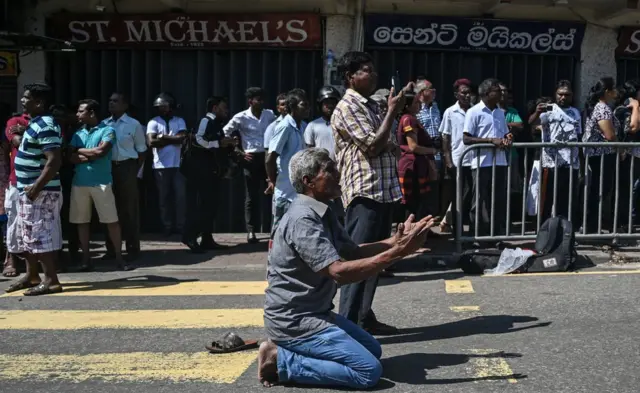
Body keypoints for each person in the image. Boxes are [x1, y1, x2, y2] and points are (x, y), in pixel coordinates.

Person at [259, 148, 435, 389]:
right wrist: (399, 252)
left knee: (373, 350)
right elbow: (338, 271)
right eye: (329, 170)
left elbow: (353, 252)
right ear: (308, 181)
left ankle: (294, 351)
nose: (338, 173)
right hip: (295, 321)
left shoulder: (323, 211)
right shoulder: (303, 219)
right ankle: (281, 360)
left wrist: (397, 240)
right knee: (367, 372)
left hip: (317, 313)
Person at [331, 51, 409, 335]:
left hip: (383, 190)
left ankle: (364, 317)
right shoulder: (348, 107)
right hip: (364, 191)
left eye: (374, 70)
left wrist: (388, 115)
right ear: (351, 77)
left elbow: (389, 142)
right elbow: (374, 145)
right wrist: (391, 112)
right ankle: (348, 326)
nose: (373, 75)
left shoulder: (371, 107)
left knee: (375, 261)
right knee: (358, 259)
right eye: (366, 70)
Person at [5, 83, 64, 296]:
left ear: (39, 102)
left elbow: (54, 160)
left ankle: (51, 280)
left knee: (40, 234)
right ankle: (32, 276)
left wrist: (36, 188)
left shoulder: (46, 124)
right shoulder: (35, 123)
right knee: (26, 234)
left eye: (26, 97)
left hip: (41, 191)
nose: (22, 101)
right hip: (28, 189)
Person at [68, 99, 129, 271]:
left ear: (92, 113)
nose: (78, 115)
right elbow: (69, 156)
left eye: (81, 111)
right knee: (82, 221)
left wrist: (79, 151)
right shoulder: (78, 133)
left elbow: (101, 152)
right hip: (79, 182)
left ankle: (119, 259)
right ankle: (86, 260)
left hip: (102, 183)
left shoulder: (107, 130)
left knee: (111, 221)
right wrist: (89, 154)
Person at [182, 96, 235, 252]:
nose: (226, 111)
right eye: (223, 108)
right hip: (199, 172)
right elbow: (198, 140)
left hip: (212, 172)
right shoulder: (206, 121)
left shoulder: (217, 124)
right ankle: (189, 237)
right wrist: (219, 143)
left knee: (210, 206)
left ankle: (206, 238)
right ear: (214, 108)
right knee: (200, 206)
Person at [224, 87, 276, 243]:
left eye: (262, 99)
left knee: (274, 192)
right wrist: (237, 151)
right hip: (251, 158)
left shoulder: (269, 115)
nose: (261, 102)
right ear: (250, 101)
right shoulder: (241, 117)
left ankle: (275, 228)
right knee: (251, 196)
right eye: (257, 99)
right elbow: (225, 133)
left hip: (267, 156)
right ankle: (251, 231)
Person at [463, 78, 511, 241]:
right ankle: (476, 236)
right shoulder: (474, 112)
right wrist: (490, 140)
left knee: (498, 199)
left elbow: (505, 133)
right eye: (497, 91)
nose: (501, 93)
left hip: (500, 162)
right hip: (482, 162)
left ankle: (495, 235)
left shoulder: (499, 112)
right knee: (480, 200)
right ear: (486, 93)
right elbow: (467, 139)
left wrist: (507, 139)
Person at [529, 80, 582, 223]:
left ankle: (563, 232)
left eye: (567, 94)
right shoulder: (548, 109)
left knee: (565, 201)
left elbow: (579, 136)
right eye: (560, 94)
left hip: (571, 164)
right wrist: (537, 112)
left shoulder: (576, 112)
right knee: (547, 199)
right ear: (555, 94)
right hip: (550, 163)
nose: (563, 97)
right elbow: (532, 125)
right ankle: (545, 231)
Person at [104, 92, 147, 261]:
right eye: (110, 101)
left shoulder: (133, 124)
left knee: (129, 209)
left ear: (125, 105)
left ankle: (132, 247)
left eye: (115, 101)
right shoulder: (104, 124)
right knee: (108, 208)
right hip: (108, 168)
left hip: (127, 167)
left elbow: (142, 150)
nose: (111, 104)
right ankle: (112, 249)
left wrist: (134, 170)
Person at [266, 90, 309, 228]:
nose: (307, 108)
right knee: (279, 232)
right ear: (293, 107)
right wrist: (273, 180)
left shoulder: (303, 126)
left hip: (299, 193)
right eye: (303, 105)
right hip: (285, 192)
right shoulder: (285, 126)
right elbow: (270, 158)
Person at [146, 93, 187, 236]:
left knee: (180, 197)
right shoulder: (153, 122)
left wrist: (162, 137)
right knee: (164, 198)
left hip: (178, 165)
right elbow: (151, 142)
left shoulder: (179, 121)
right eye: (159, 107)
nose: (162, 109)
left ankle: (180, 226)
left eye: (164, 106)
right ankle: (167, 226)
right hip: (160, 166)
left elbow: (182, 138)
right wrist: (172, 139)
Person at [582, 77, 619, 234]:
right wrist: (621, 149)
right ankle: (592, 226)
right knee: (600, 190)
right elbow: (609, 135)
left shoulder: (598, 107)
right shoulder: (602, 109)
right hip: (602, 155)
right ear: (607, 92)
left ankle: (593, 225)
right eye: (614, 89)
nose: (616, 92)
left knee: (599, 189)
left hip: (598, 155)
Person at [396, 89, 438, 220]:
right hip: (412, 166)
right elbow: (413, 146)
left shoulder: (409, 119)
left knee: (420, 201)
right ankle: (412, 234)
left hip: (416, 165)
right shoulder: (408, 120)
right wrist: (432, 151)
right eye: (415, 102)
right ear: (407, 106)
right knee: (413, 201)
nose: (419, 104)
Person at [440, 79, 473, 232]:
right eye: (463, 93)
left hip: (474, 161)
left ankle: (472, 229)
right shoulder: (450, 112)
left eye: (469, 93)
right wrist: (448, 160)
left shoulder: (475, 111)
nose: (467, 96)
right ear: (456, 94)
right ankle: (457, 230)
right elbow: (445, 137)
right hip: (458, 159)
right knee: (458, 196)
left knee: (471, 196)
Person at [2, 111, 29, 278]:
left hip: (42, 178)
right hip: (16, 179)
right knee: (13, 221)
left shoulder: (49, 121)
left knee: (39, 223)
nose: (23, 100)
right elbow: (17, 142)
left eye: (27, 98)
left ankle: (39, 262)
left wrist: (25, 130)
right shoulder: (15, 120)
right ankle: (11, 260)